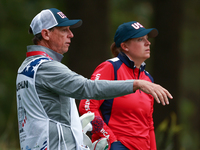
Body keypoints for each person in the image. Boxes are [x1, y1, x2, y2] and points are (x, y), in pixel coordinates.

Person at [16, 8, 172, 150]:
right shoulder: (47, 67)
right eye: (64, 30)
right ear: (46, 34)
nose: (71, 34)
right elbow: (87, 89)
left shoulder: (28, 66)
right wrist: (136, 84)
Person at [79, 21, 168, 150]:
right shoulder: (110, 67)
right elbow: (87, 107)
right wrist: (111, 140)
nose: (148, 43)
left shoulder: (148, 78)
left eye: (147, 39)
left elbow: (149, 124)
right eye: (140, 39)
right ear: (125, 46)